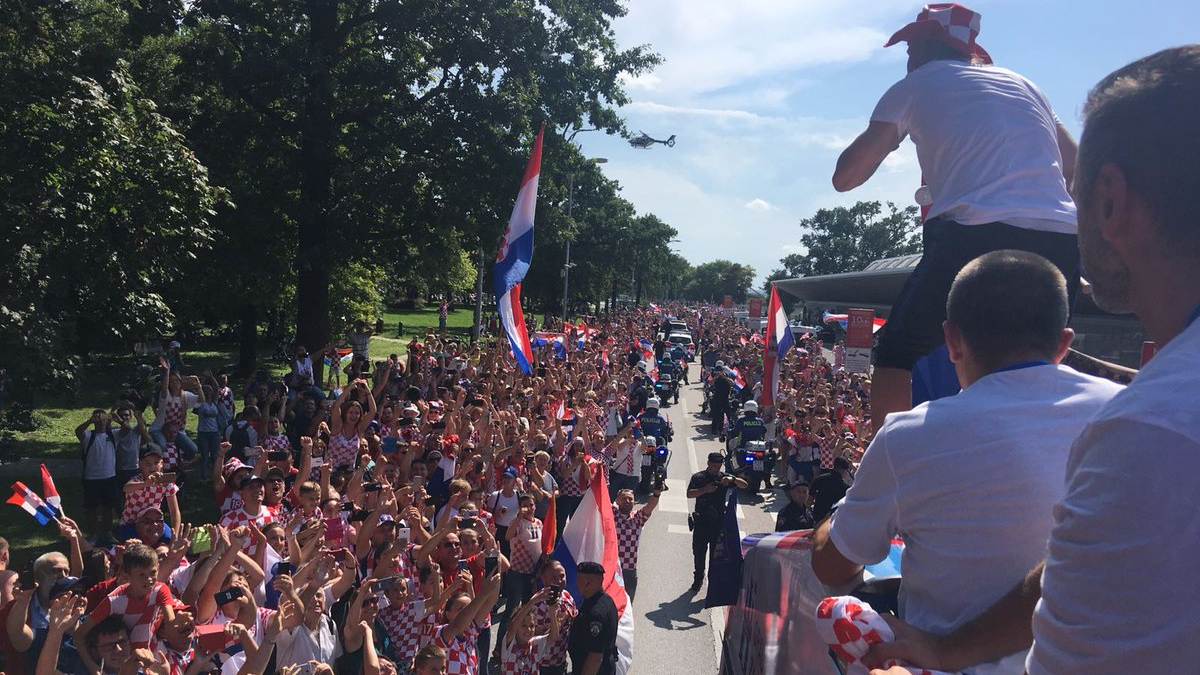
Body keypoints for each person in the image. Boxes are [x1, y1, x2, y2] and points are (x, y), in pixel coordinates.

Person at [865, 46, 1200, 675]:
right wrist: (949, 648)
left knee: (896, 353)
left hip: (962, 229)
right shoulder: (1151, 406)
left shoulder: (1149, 430)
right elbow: (1082, 562)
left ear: (1107, 200)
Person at [810, 250, 1121, 675]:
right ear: (1064, 344)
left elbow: (833, 561)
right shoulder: (1132, 414)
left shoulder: (908, 435)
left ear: (951, 339)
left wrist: (833, 518)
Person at [833, 3, 1082, 425]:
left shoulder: (916, 84)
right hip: (1058, 235)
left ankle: (887, 466)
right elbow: (1076, 167)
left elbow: (847, 177)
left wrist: (892, 140)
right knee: (1033, 358)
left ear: (924, 48)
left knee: (896, 354)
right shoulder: (1025, 84)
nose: (908, 58)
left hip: (972, 231)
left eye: (910, 48)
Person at [685, 452, 746, 593]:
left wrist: (733, 479)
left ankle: (713, 582)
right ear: (708, 463)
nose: (715, 469)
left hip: (717, 522)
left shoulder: (723, 478)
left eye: (718, 466)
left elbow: (744, 485)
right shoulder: (699, 477)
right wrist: (705, 490)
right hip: (701, 522)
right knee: (699, 553)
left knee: (715, 556)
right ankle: (698, 578)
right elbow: (689, 494)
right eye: (713, 466)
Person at [75, 409, 119, 542]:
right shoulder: (88, 435)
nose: (101, 423)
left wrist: (118, 419)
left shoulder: (113, 434)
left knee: (108, 508)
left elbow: (127, 430)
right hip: (91, 478)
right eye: (98, 420)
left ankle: (108, 533)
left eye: (103, 419)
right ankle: (93, 535)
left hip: (109, 476)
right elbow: (78, 432)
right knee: (91, 509)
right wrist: (89, 421)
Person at [566, 562, 616, 675]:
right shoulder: (604, 600)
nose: (576, 583)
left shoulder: (596, 614)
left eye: (579, 579)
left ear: (588, 583)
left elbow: (595, 657)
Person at [612, 487, 659, 601]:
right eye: (624, 499)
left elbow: (650, 506)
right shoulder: (612, 514)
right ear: (617, 501)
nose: (627, 501)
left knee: (627, 603)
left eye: (630, 499)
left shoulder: (638, 518)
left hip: (629, 569)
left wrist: (657, 493)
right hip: (613, 567)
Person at [809, 456, 854, 524]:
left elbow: (810, 500)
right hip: (834, 521)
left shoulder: (820, 479)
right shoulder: (845, 487)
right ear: (844, 470)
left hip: (817, 517)